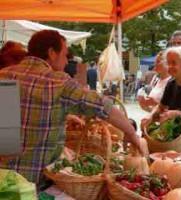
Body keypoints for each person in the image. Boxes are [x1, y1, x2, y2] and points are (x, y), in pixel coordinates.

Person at [0, 30, 142, 188]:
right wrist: (131, 132)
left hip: (4, 179)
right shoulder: (56, 81)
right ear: (52, 53)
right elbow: (103, 106)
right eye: (65, 55)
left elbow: (8, 131)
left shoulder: (4, 75)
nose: (67, 62)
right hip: (35, 183)